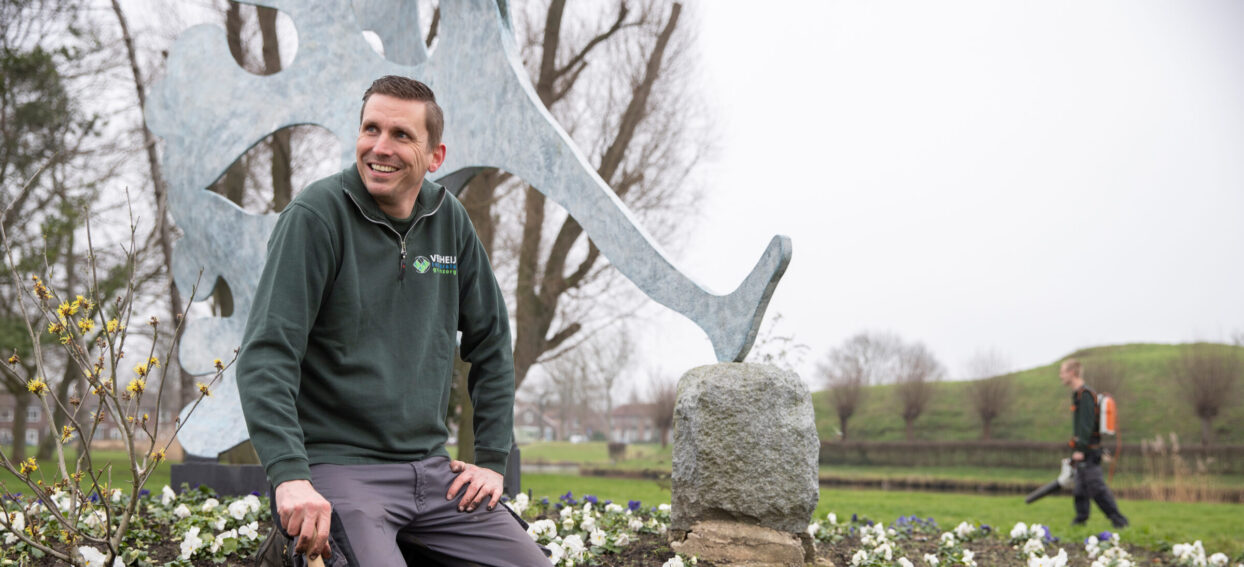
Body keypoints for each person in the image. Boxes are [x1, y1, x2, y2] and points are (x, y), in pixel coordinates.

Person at [237, 75, 548, 565]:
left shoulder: (451, 221)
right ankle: (295, 553)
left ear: (435, 156)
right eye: (370, 129)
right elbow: (267, 355)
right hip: (340, 468)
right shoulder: (316, 217)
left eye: (401, 135)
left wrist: (491, 462)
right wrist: (290, 475)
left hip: (431, 470)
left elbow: (490, 342)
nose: (380, 147)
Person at [1058, 358, 1129, 529]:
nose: (1060, 376)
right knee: (1080, 489)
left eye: (1062, 372)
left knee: (1096, 488)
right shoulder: (1078, 394)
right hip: (1084, 449)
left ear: (1072, 373)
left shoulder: (1086, 395)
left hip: (1089, 450)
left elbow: (1087, 424)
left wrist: (1080, 448)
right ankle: (1080, 520)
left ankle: (1119, 521)